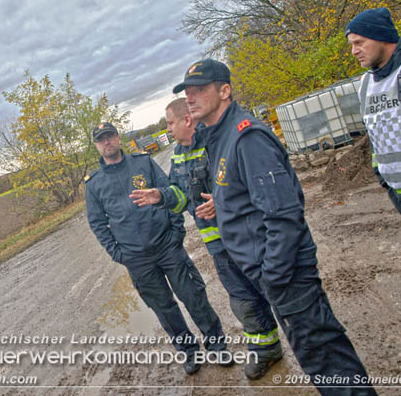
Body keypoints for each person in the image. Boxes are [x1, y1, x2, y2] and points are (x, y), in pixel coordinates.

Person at [172, 59, 376, 395]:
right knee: (316, 358)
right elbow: (246, 199)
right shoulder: (219, 137)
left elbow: (283, 214)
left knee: (325, 358)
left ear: (225, 91)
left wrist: (274, 275)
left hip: (285, 273)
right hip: (269, 271)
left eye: (200, 89)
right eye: (187, 92)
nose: (191, 98)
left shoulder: (246, 136)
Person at [129, 98, 283, 380]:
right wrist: (160, 196)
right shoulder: (177, 153)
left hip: (247, 238)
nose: (169, 129)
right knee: (243, 300)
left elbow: (248, 180)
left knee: (276, 292)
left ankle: (311, 348)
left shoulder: (216, 141)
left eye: (171, 123)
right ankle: (267, 350)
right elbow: (179, 194)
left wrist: (223, 201)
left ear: (186, 120)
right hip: (219, 246)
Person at [85, 122, 231, 375]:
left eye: (110, 136)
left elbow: (169, 192)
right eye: (101, 140)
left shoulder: (143, 163)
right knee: (164, 308)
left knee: (193, 295)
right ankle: (189, 352)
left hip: (167, 245)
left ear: (118, 138)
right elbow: (97, 223)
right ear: (96, 145)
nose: (107, 142)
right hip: (137, 259)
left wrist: (176, 230)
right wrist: (118, 253)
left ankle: (216, 344)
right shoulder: (94, 184)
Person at [345, 7, 401, 277]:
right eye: (351, 45)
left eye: (360, 42)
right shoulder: (366, 85)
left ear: (382, 38)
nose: (354, 50)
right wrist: (383, 178)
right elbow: (377, 137)